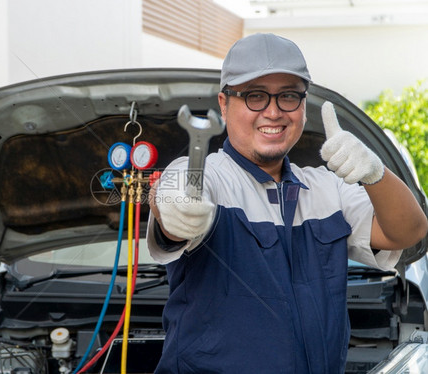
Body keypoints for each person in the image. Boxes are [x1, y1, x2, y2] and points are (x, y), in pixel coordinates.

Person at [146, 33, 428, 373]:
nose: (273, 111)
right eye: (255, 96)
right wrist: (173, 208)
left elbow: (408, 232)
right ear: (224, 104)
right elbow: (177, 194)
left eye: (289, 96)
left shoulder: (328, 189)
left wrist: (374, 172)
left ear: (303, 106)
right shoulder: (209, 177)